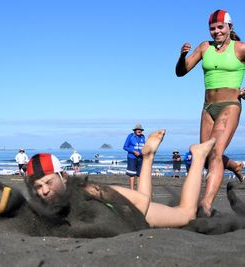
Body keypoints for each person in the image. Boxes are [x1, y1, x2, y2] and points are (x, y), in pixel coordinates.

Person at [26, 130, 217, 228]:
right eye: (38, 186)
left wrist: (129, 228)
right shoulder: (46, 203)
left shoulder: (86, 189)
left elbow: (141, 201)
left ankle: (198, 155)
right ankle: (148, 157)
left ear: (63, 176)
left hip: (140, 214)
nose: (44, 191)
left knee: (186, 214)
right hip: (127, 209)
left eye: (49, 182)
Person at [176, 10, 245, 216]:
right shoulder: (205, 47)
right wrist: (182, 56)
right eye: (212, 28)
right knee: (203, 155)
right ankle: (233, 164)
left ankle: (205, 205)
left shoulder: (240, 48)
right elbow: (181, 71)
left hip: (229, 105)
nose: (216, 32)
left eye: (220, 27)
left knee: (214, 153)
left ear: (229, 27)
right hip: (207, 108)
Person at [123, 124, 146, 190]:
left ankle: (139, 190)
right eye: (138, 129)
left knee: (139, 175)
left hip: (141, 158)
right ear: (135, 130)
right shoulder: (130, 136)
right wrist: (133, 151)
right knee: (132, 175)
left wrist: (143, 153)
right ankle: (132, 190)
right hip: (132, 157)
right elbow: (125, 147)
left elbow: (144, 147)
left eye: (141, 130)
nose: (139, 131)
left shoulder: (143, 137)